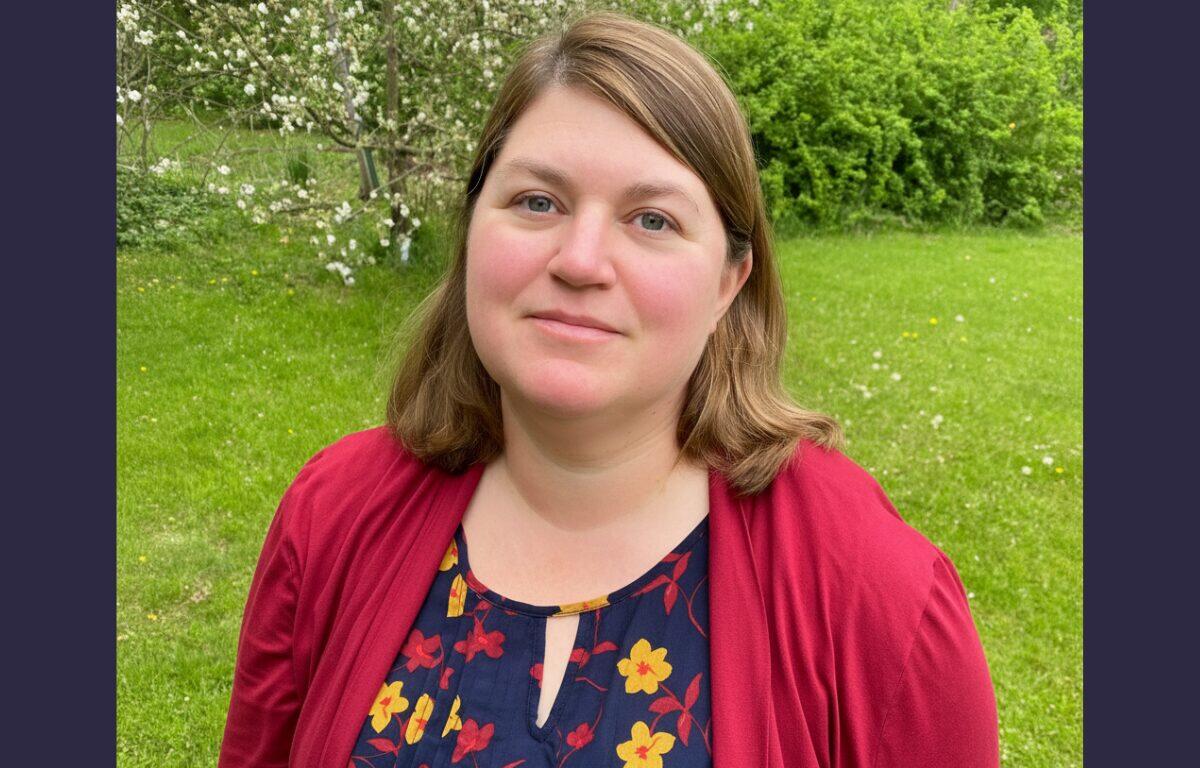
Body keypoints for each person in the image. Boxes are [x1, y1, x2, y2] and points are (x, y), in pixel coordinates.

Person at [218, 10, 999, 768]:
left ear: (729, 280)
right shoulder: (330, 516)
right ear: (473, 229)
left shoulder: (877, 595)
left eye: (652, 219)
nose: (581, 260)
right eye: (537, 202)